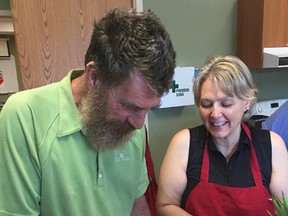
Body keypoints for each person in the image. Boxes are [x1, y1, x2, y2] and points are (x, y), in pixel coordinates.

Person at [0, 8, 176, 216]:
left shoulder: (132, 130)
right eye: (131, 106)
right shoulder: (25, 115)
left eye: (149, 108)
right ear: (94, 77)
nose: (139, 124)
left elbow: (136, 204)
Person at [156, 55, 288, 215]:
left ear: (247, 101)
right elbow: (166, 205)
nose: (215, 114)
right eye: (206, 104)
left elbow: (284, 211)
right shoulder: (184, 144)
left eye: (226, 104)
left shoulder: (272, 147)